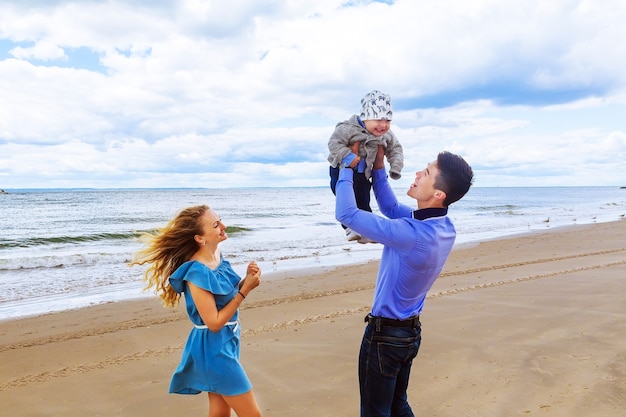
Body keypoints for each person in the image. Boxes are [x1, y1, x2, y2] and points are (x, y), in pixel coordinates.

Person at [335, 146, 473, 417]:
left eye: (427, 172)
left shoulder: (412, 234)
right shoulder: (443, 226)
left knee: (376, 412)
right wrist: (377, 167)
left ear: (438, 194)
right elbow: (390, 208)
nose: (418, 174)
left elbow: (347, 214)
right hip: (408, 335)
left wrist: (345, 168)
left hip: (385, 337)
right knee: (397, 405)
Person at [131, 205, 263, 417]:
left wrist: (244, 281)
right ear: (200, 238)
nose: (223, 226)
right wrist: (245, 291)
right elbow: (214, 322)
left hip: (228, 340)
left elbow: (223, 296)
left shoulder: (217, 255)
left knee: (220, 411)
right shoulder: (196, 273)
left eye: (220, 220)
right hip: (213, 349)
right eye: (215, 224)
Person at [328, 90, 404, 244]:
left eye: (388, 120)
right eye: (378, 119)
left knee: (363, 199)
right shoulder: (347, 129)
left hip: (364, 173)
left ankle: (367, 231)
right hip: (340, 168)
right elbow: (334, 143)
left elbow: (395, 148)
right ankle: (349, 228)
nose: (383, 125)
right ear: (365, 117)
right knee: (344, 197)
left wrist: (395, 167)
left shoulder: (385, 135)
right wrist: (348, 157)